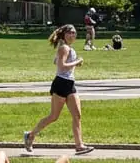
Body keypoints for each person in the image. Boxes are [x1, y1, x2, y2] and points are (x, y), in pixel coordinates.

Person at [24, 25, 93, 155]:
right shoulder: (64, 48)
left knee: (77, 115)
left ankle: (79, 145)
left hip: (70, 84)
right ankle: (30, 135)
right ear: (64, 34)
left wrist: (73, 62)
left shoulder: (66, 48)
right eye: (70, 33)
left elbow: (56, 61)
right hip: (61, 83)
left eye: (74, 33)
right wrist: (76, 62)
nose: (73, 35)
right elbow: (61, 66)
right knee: (54, 116)